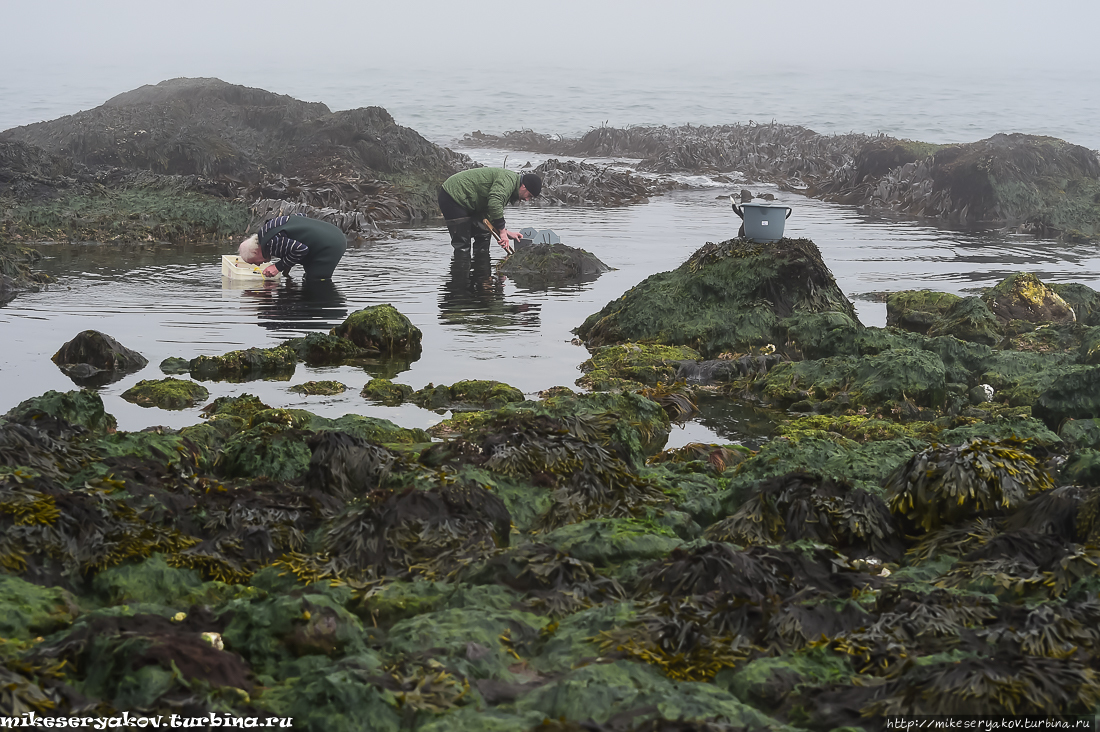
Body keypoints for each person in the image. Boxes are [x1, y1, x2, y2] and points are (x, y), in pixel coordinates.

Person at [438, 168, 542, 252]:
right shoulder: (508, 180)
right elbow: (494, 203)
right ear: (523, 186)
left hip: (472, 202)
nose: (527, 199)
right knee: (463, 245)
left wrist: (506, 232)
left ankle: (482, 277)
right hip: (453, 195)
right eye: (529, 195)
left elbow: (490, 213)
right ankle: (460, 277)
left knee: (484, 235)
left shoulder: (510, 188)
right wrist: (501, 231)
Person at [238, 213, 347, 280]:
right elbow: (300, 216)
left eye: (253, 262)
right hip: (333, 232)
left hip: (330, 245)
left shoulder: (270, 244)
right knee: (308, 275)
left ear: (255, 252)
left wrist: (278, 267)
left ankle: (325, 310)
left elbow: (301, 249)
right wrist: (287, 264)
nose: (257, 264)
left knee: (316, 279)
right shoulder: (267, 229)